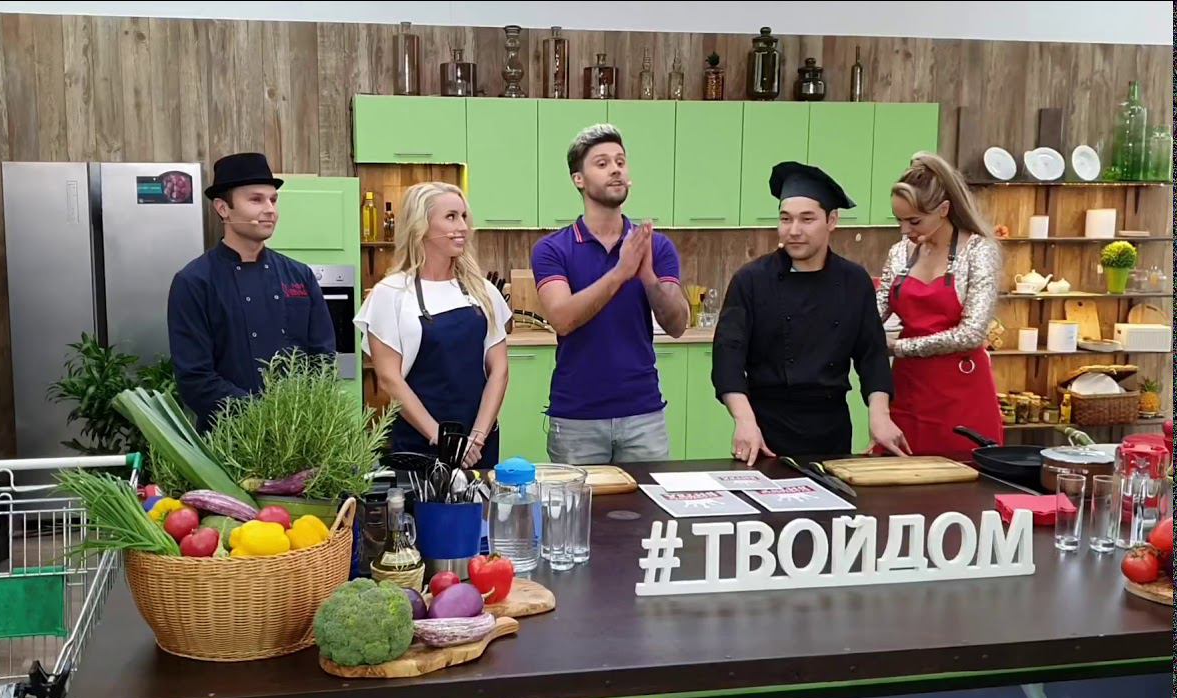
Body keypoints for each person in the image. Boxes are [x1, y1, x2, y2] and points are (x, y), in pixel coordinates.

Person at [712, 161, 907, 465]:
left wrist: (880, 415)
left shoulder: (854, 281)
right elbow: (728, 358)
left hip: (832, 430)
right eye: (785, 219)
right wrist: (744, 421)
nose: (793, 231)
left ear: (832, 220)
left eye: (807, 219)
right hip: (764, 432)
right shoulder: (751, 280)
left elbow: (872, 356)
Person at [531, 124, 689, 464]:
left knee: (649, 500)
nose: (616, 169)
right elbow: (562, 319)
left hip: (643, 414)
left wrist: (646, 274)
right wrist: (621, 272)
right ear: (578, 179)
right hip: (576, 419)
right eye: (602, 163)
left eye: (620, 161)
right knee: (579, 502)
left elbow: (677, 325)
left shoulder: (655, 246)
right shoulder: (552, 249)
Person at [168, 152, 336, 431]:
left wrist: (300, 416)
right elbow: (195, 378)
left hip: (299, 435)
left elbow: (323, 358)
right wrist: (262, 416)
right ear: (223, 208)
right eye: (256, 200)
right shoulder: (194, 282)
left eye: (273, 200)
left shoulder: (299, 275)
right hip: (229, 439)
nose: (270, 210)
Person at [354, 182, 511, 469]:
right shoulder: (390, 294)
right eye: (451, 217)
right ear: (421, 226)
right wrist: (442, 438)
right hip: (420, 443)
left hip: (479, 445)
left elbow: (499, 371)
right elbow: (390, 379)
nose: (462, 226)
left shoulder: (483, 291)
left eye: (464, 217)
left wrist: (477, 438)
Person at [878, 152, 1003, 459]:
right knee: (899, 471)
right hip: (908, 387)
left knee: (963, 475)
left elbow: (971, 334)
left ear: (944, 210)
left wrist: (898, 347)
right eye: (899, 220)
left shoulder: (979, 251)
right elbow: (874, 311)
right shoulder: (900, 253)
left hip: (961, 392)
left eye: (914, 221)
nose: (904, 230)